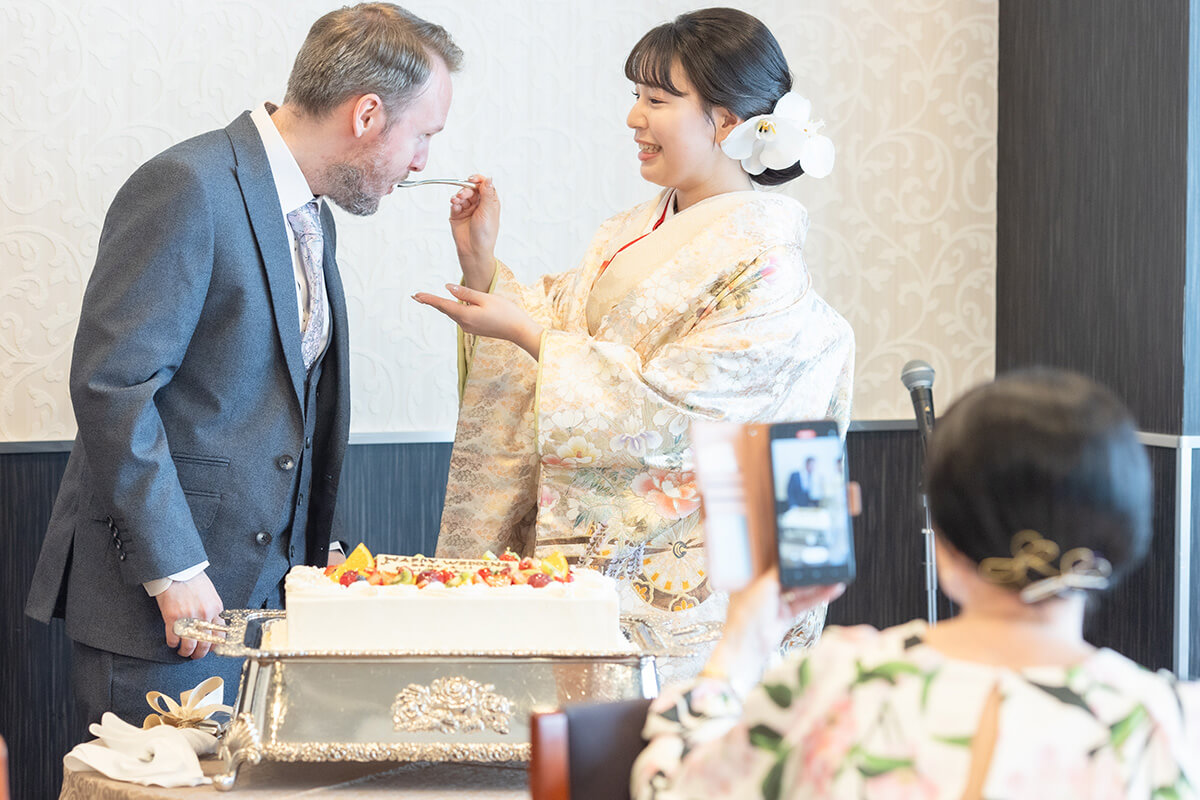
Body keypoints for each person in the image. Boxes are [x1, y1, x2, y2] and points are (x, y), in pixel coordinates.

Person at [24, 3, 462, 733]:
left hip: (266, 610)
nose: (422, 162)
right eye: (424, 136)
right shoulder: (187, 186)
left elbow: (274, 403)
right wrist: (176, 569)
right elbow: (113, 385)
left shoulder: (310, 212)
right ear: (367, 114)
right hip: (166, 611)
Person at [415, 8, 854, 679]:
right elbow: (560, 326)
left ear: (729, 122)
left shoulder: (767, 264)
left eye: (657, 100)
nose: (634, 119)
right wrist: (484, 266)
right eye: (636, 98)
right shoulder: (631, 228)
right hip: (582, 568)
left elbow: (685, 410)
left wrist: (531, 336)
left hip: (680, 587)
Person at [631, 369, 1200, 799]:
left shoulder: (842, 683)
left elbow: (673, 786)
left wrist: (743, 642)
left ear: (945, 544)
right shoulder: (1172, 728)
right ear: (1126, 541)